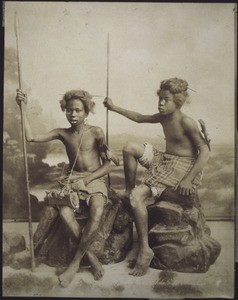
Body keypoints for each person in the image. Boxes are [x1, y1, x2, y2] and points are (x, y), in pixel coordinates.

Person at [103, 77, 210, 277]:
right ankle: (128, 191)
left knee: (138, 197)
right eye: (160, 98)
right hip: (165, 159)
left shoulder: (186, 121)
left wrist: (187, 180)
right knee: (129, 147)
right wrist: (113, 107)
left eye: (166, 99)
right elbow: (138, 117)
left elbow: (204, 152)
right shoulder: (163, 117)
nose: (160, 103)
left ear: (177, 101)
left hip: (182, 167)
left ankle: (145, 249)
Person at [16, 89, 112, 287]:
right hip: (71, 180)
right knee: (65, 212)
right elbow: (31, 138)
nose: (73, 114)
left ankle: (75, 263)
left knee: (98, 209)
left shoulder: (96, 133)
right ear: (65, 111)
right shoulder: (62, 133)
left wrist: (86, 181)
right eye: (69, 110)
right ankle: (91, 257)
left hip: (93, 179)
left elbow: (108, 165)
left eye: (78, 110)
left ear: (87, 112)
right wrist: (22, 108)